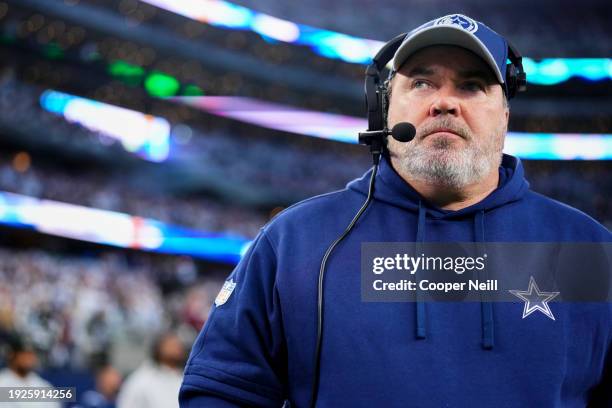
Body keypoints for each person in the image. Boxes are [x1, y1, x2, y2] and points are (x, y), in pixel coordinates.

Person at [179, 14, 611, 407]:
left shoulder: (589, 250)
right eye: (422, 83)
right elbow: (222, 392)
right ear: (384, 106)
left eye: (472, 85)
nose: (444, 102)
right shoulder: (295, 242)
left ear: (504, 113)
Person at [116, 332, 186, 408]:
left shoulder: (183, 378)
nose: (177, 348)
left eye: (178, 345)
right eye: (171, 345)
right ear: (158, 348)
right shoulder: (141, 380)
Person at [0, 337, 60, 408]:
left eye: (31, 354)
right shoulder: (2, 382)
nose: (28, 359)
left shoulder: (42, 385)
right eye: (24, 353)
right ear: (13, 355)